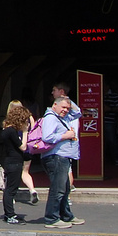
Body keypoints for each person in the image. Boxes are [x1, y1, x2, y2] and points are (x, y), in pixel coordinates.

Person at [35, 94, 84, 228]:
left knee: (65, 188)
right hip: (56, 157)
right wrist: (65, 136)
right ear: (54, 105)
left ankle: (66, 215)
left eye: (68, 108)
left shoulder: (62, 117)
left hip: (63, 156)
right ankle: (52, 218)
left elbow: (78, 112)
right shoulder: (50, 117)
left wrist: (69, 100)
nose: (66, 110)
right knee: (58, 189)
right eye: (63, 107)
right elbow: (47, 137)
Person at [0, 102, 32, 224]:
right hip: (14, 162)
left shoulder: (7, 130)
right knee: (11, 190)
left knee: (11, 189)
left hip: (12, 161)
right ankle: (10, 214)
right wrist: (25, 132)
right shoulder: (11, 131)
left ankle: (10, 213)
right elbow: (22, 147)